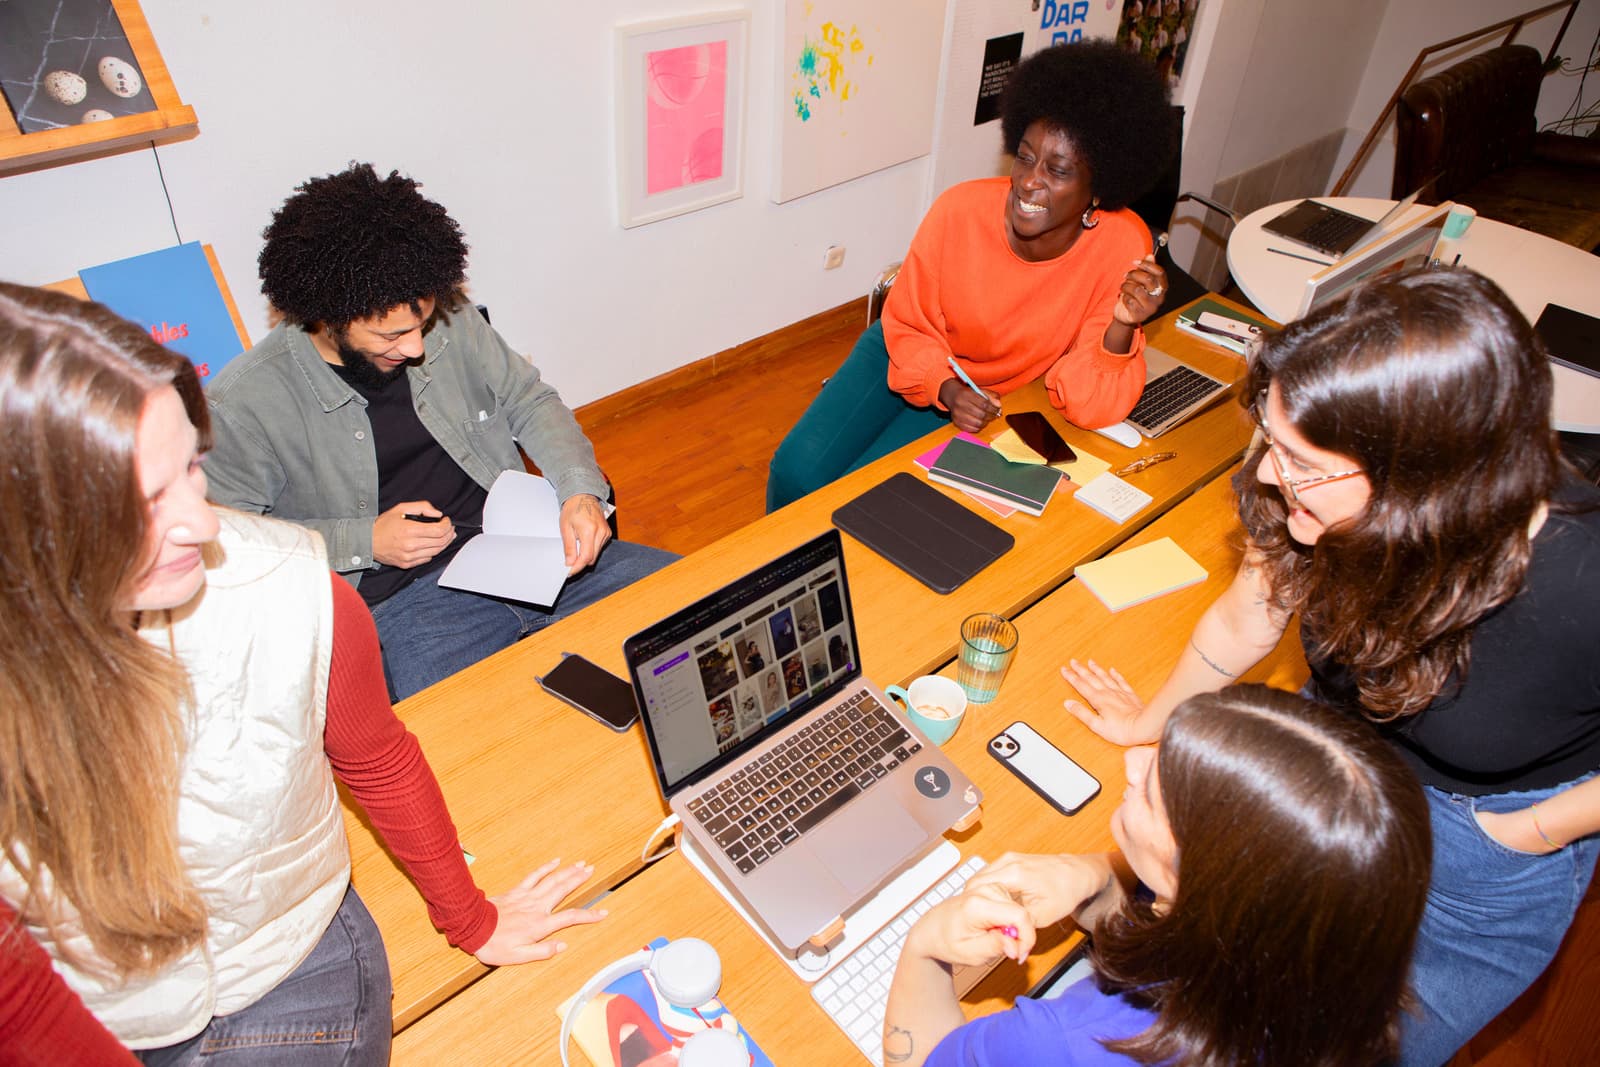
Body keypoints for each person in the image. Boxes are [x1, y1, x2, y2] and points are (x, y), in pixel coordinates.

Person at [0, 283, 607, 1063]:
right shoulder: (263, 394)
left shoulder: (293, 588)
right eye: (146, 497)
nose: (205, 520)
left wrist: (475, 918)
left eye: (192, 466)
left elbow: (380, 759)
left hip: (284, 972)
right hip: (96, 1011)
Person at [1059, 267, 1600, 1066]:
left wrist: (1528, 832)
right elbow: (1251, 611)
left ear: (1424, 481)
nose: (1274, 476)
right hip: (1330, 771)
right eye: (1273, 443)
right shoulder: (1307, 481)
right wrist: (1151, 720)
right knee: (1221, 1007)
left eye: (1302, 462)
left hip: (1479, 861)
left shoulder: (1581, 576)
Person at [205, 163, 676, 700]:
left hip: (532, 554)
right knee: (467, 747)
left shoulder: (450, 321)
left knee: (698, 609)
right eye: (393, 333)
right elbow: (235, 542)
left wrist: (579, 491)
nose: (416, 348)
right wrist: (366, 541)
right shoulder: (245, 401)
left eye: (422, 324)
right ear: (325, 317)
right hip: (412, 600)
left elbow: (530, 399)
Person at [884, 686, 1432, 1066]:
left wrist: (926, 948)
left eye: (1157, 785)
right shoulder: (1321, 971)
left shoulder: (1068, 1043)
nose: (1133, 762)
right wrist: (1095, 879)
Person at [766, 42, 1178, 511]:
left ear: (1098, 189)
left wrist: (1122, 324)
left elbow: (1090, 406)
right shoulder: (959, 211)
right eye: (1024, 158)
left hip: (989, 399)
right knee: (795, 474)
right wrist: (944, 386)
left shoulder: (1122, 243)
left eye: (1058, 170)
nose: (1029, 181)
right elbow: (907, 324)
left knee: (864, 498)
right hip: (909, 350)